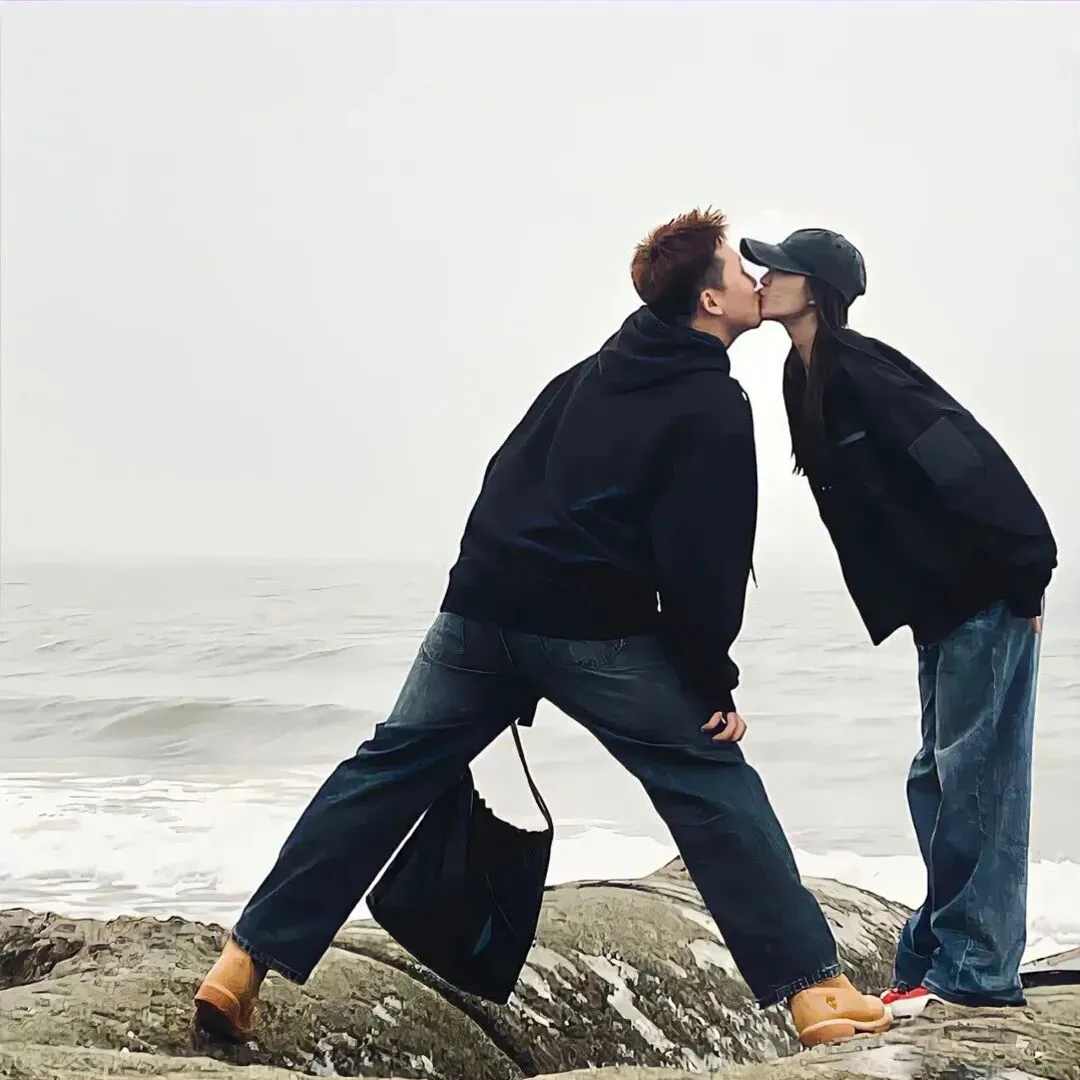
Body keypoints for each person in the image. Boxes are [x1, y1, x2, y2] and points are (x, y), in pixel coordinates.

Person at [194, 209, 890, 1048]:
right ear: (710, 301)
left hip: (478, 610)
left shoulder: (586, 374)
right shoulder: (710, 401)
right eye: (739, 272)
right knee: (708, 779)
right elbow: (703, 563)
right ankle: (815, 992)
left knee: (383, 774)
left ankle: (241, 964)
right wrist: (713, 682)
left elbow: (503, 476)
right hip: (590, 631)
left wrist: (481, 598)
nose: (754, 279)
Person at [741, 228, 1057, 1016]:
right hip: (938, 607)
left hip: (988, 592)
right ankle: (937, 952)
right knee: (937, 779)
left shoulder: (863, 369)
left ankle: (978, 970)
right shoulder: (802, 374)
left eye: (779, 268)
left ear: (816, 288)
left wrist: (1028, 572)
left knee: (976, 780)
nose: (763, 277)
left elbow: (964, 459)